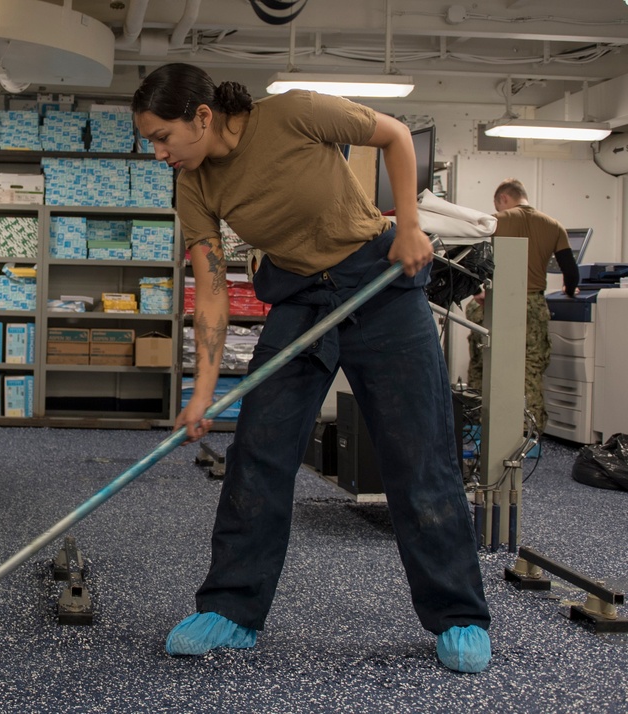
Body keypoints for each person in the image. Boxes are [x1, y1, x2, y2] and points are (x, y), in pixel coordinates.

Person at [132, 63, 491, 673]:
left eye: (164, 137)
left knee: (419, 452)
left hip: (376, 282)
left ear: (202, 116)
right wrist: (205, 391)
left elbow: (395, 136)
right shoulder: (192, 184)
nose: (160, 153)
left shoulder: (293, 112)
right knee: (260, 451)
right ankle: (231, 609)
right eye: (151, 143)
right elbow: (212, 290)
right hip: (299, 297)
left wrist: (408, 225)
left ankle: (458, 614)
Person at [465, 178, 579, 433]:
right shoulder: (554, 225)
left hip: (496, 303)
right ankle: (529, 434)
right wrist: (569, 291)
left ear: (504, 198)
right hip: (533, 305)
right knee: (531, 370)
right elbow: (571, 273)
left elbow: (468, 262)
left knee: (484, 366)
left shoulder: (495, 220)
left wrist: (476, 292)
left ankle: (478, 429)